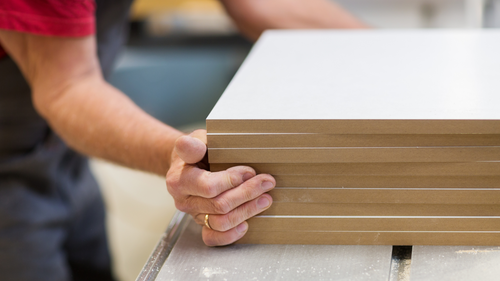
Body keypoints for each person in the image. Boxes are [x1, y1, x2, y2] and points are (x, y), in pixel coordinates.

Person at [0, 0, 366, 280]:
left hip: (63, 159)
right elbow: (67, 87)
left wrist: (392, 49)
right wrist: (184, 159)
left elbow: (257, 5)